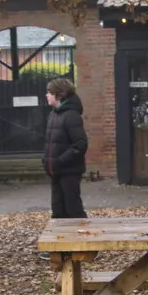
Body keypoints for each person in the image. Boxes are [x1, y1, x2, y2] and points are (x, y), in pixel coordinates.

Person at [43, 77, 88, 219]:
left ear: (58, 94)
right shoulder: (53, 114)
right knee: (58, 210)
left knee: (73, 209)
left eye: (49, 92)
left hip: (69, 171)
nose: (47, 95)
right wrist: (46, 160)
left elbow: (80, 144)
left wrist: (60, 160)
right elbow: (52, 142)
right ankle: (59, 239)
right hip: (56, 171)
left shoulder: (71, 116)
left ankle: (82, 237)